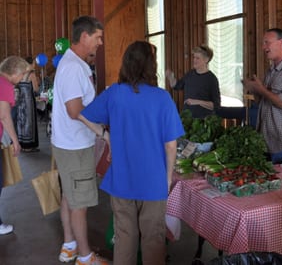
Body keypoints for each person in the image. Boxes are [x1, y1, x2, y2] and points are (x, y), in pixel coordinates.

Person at [79, 41, 185, 265]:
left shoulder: (115, 93)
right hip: (153, 180)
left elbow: (83, 115)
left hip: (122, 179)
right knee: (153, 239)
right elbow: (170, 145)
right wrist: (168, 178)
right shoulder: (162, 98)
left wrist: (104, 135)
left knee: (125, 237)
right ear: (150, 65)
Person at [51, 16, 108, 265]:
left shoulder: (73, 63)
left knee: (69, 197)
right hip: (74, 146)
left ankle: (69, 245)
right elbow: (75, 110)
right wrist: (102, 133)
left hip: (67, 143)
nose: (100, 42)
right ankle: (85, 257)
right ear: (84, 36)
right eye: (97, 37)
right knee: (80, 204)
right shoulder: (74, 67)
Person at [242, 28, 282, 164]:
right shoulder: (271, 70)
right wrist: (254, 90)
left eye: (267, 42)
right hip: (269, 144)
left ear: (281, 42)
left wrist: (262, 89)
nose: (263, 47)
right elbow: (264, 101)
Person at [0, 56, 29, 235]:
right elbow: (4, 115)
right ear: (15, 72)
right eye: (23, 75)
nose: (22, 79)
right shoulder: (6, 85)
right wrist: (15, 140)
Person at [166, 44, 221, 118]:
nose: (194, 60)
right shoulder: (190, 74)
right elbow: (176, 86)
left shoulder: (212, 79)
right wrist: (171, 77)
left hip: (202, 123)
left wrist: (197, 102)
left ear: (206, 60)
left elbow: (216, 106)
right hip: (187, 120)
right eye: (194, 57)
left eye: (197, 58)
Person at [15, 56, 40, 152]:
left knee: (21, 121)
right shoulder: (31, 74)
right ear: (31, 63)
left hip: (21, 101)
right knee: (29, 122)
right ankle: (29, 145)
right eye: (34, 63)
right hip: (29, 100)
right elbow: (36, 89)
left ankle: (21, 143)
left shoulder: (20, 73)